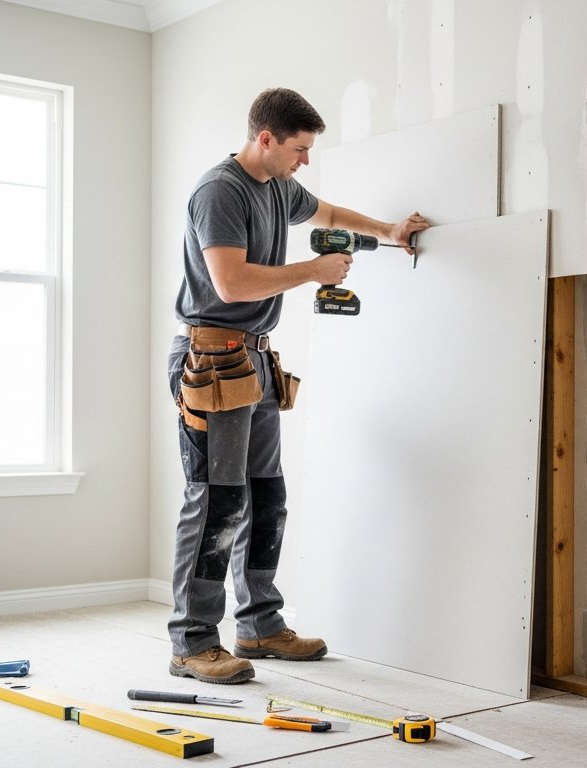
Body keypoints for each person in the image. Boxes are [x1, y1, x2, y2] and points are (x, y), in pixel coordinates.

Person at [165, 87, 429, 684]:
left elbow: (328, 216)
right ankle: (191, 641)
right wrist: (313, 271)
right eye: (299, 149)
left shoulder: (277, 187)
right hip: (211, 360)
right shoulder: (219, 192)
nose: (305, 160)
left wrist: (388, 231)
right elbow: (230, 285)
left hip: (254, 361)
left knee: (266, 497)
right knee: (216, 501)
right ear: (266, 139)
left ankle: (259, 624)